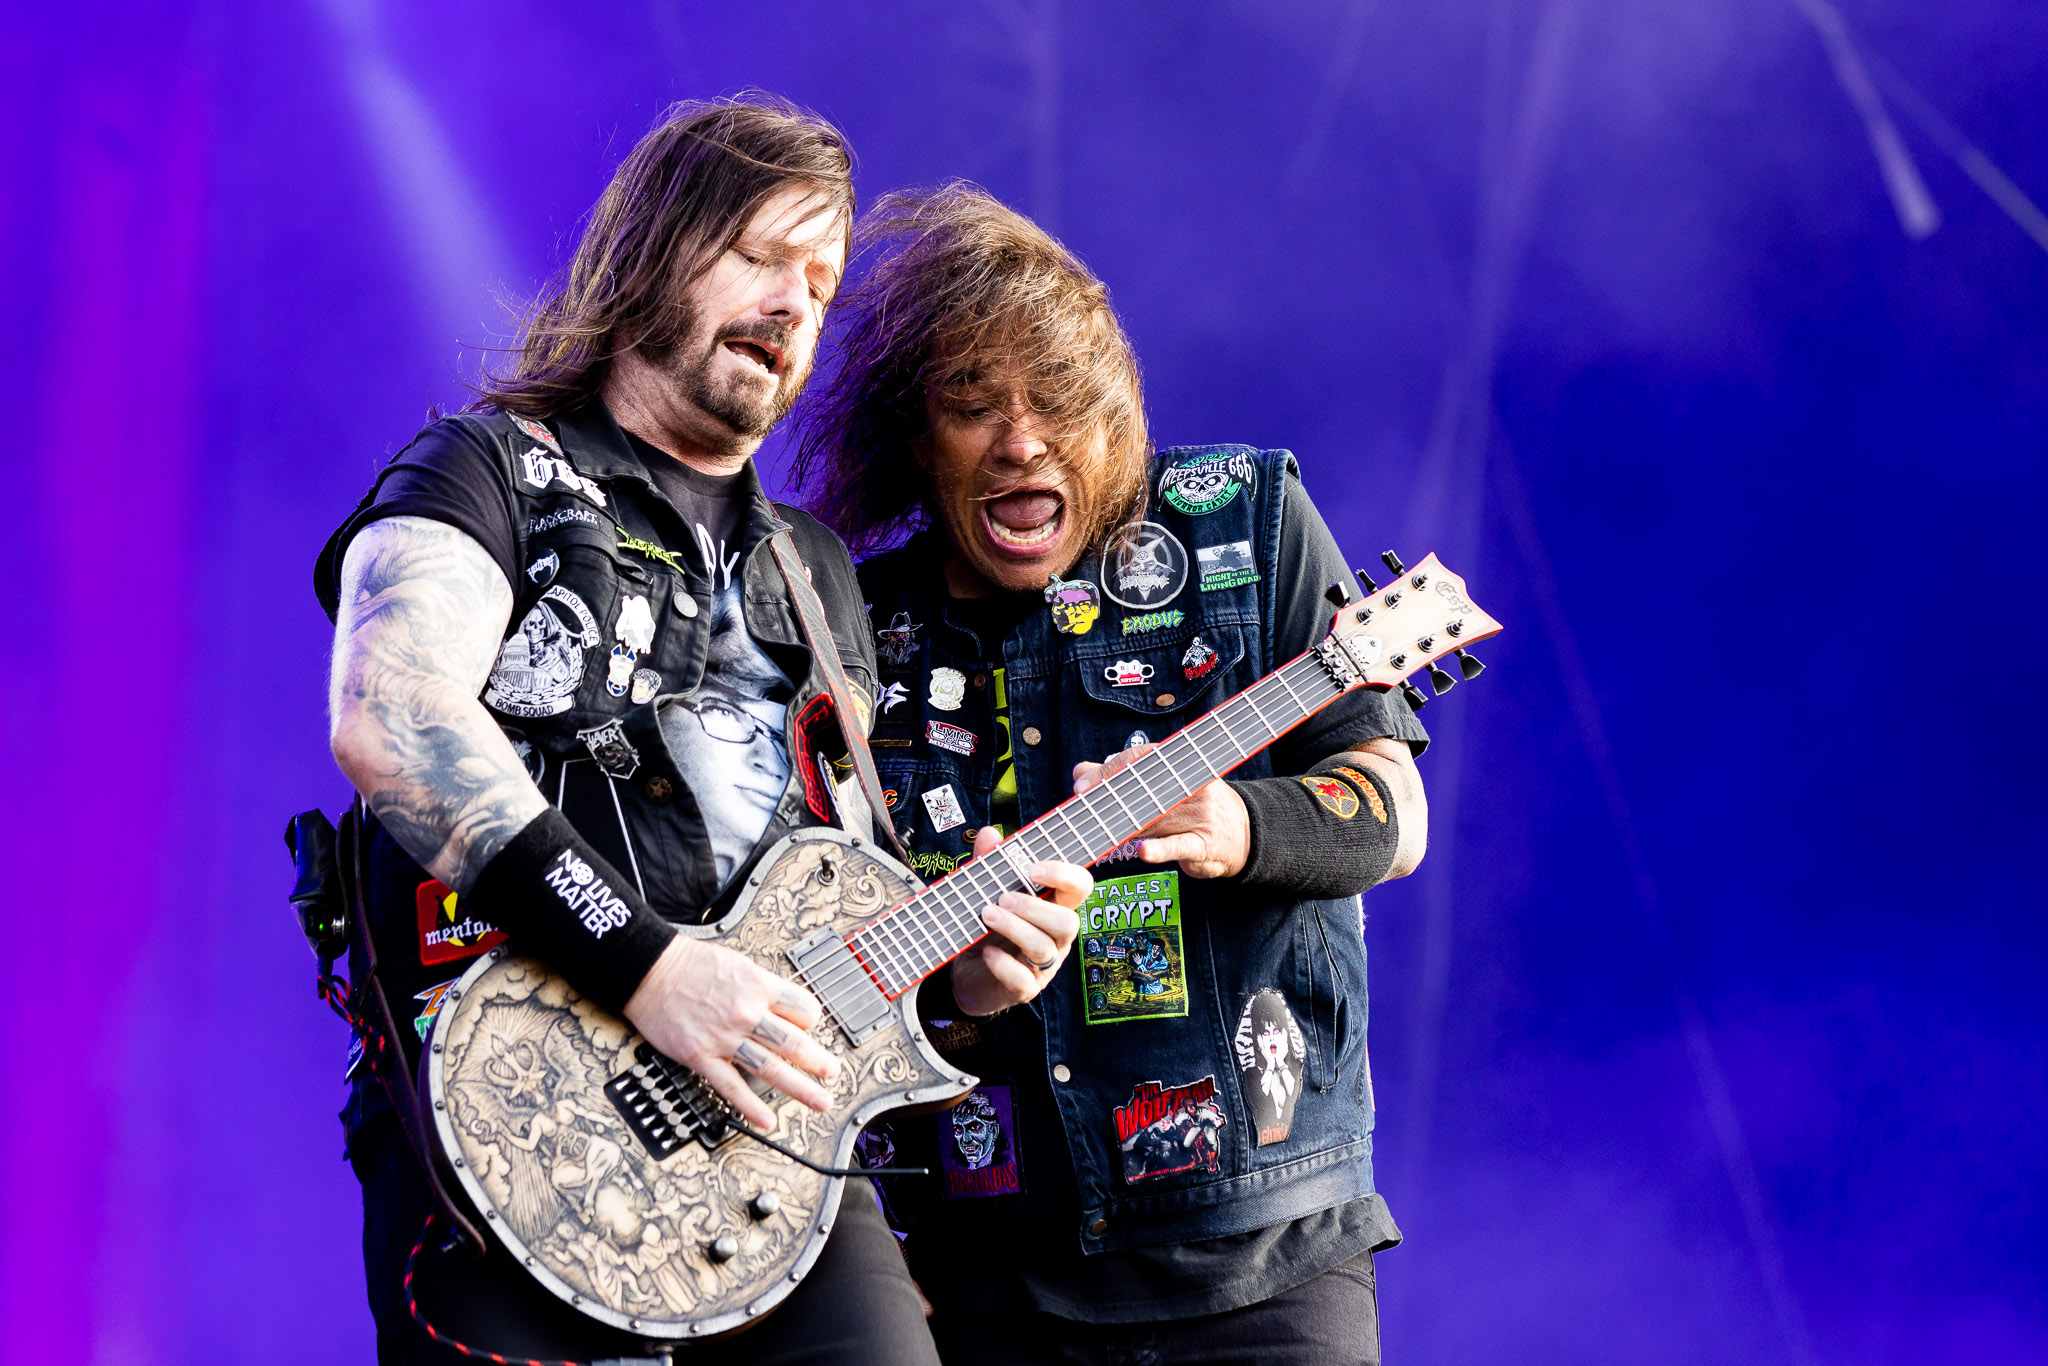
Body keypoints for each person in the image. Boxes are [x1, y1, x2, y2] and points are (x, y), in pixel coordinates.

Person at [316, 102, 1089, 1366]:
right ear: (652, 250)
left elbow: (825, 898)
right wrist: (650, 970)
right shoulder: (480, 471)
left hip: (774, 1143)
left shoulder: (814, 572)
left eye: (820, 285)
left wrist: (960, 982)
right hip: (522, 1119)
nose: (793, 303)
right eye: (760, 255)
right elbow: (390, 717)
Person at [793, 184, 1431, 1366]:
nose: (1019, 441)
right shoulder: (849, 630)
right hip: (984, 1280)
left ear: (1115, 415)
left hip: (1266, 1250)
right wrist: (956, 996)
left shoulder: (1246, 522)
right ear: (914, 437)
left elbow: (1393, 816)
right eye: (970, 406)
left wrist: (1243, 825)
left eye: (1054, 400)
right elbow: (809, 963)